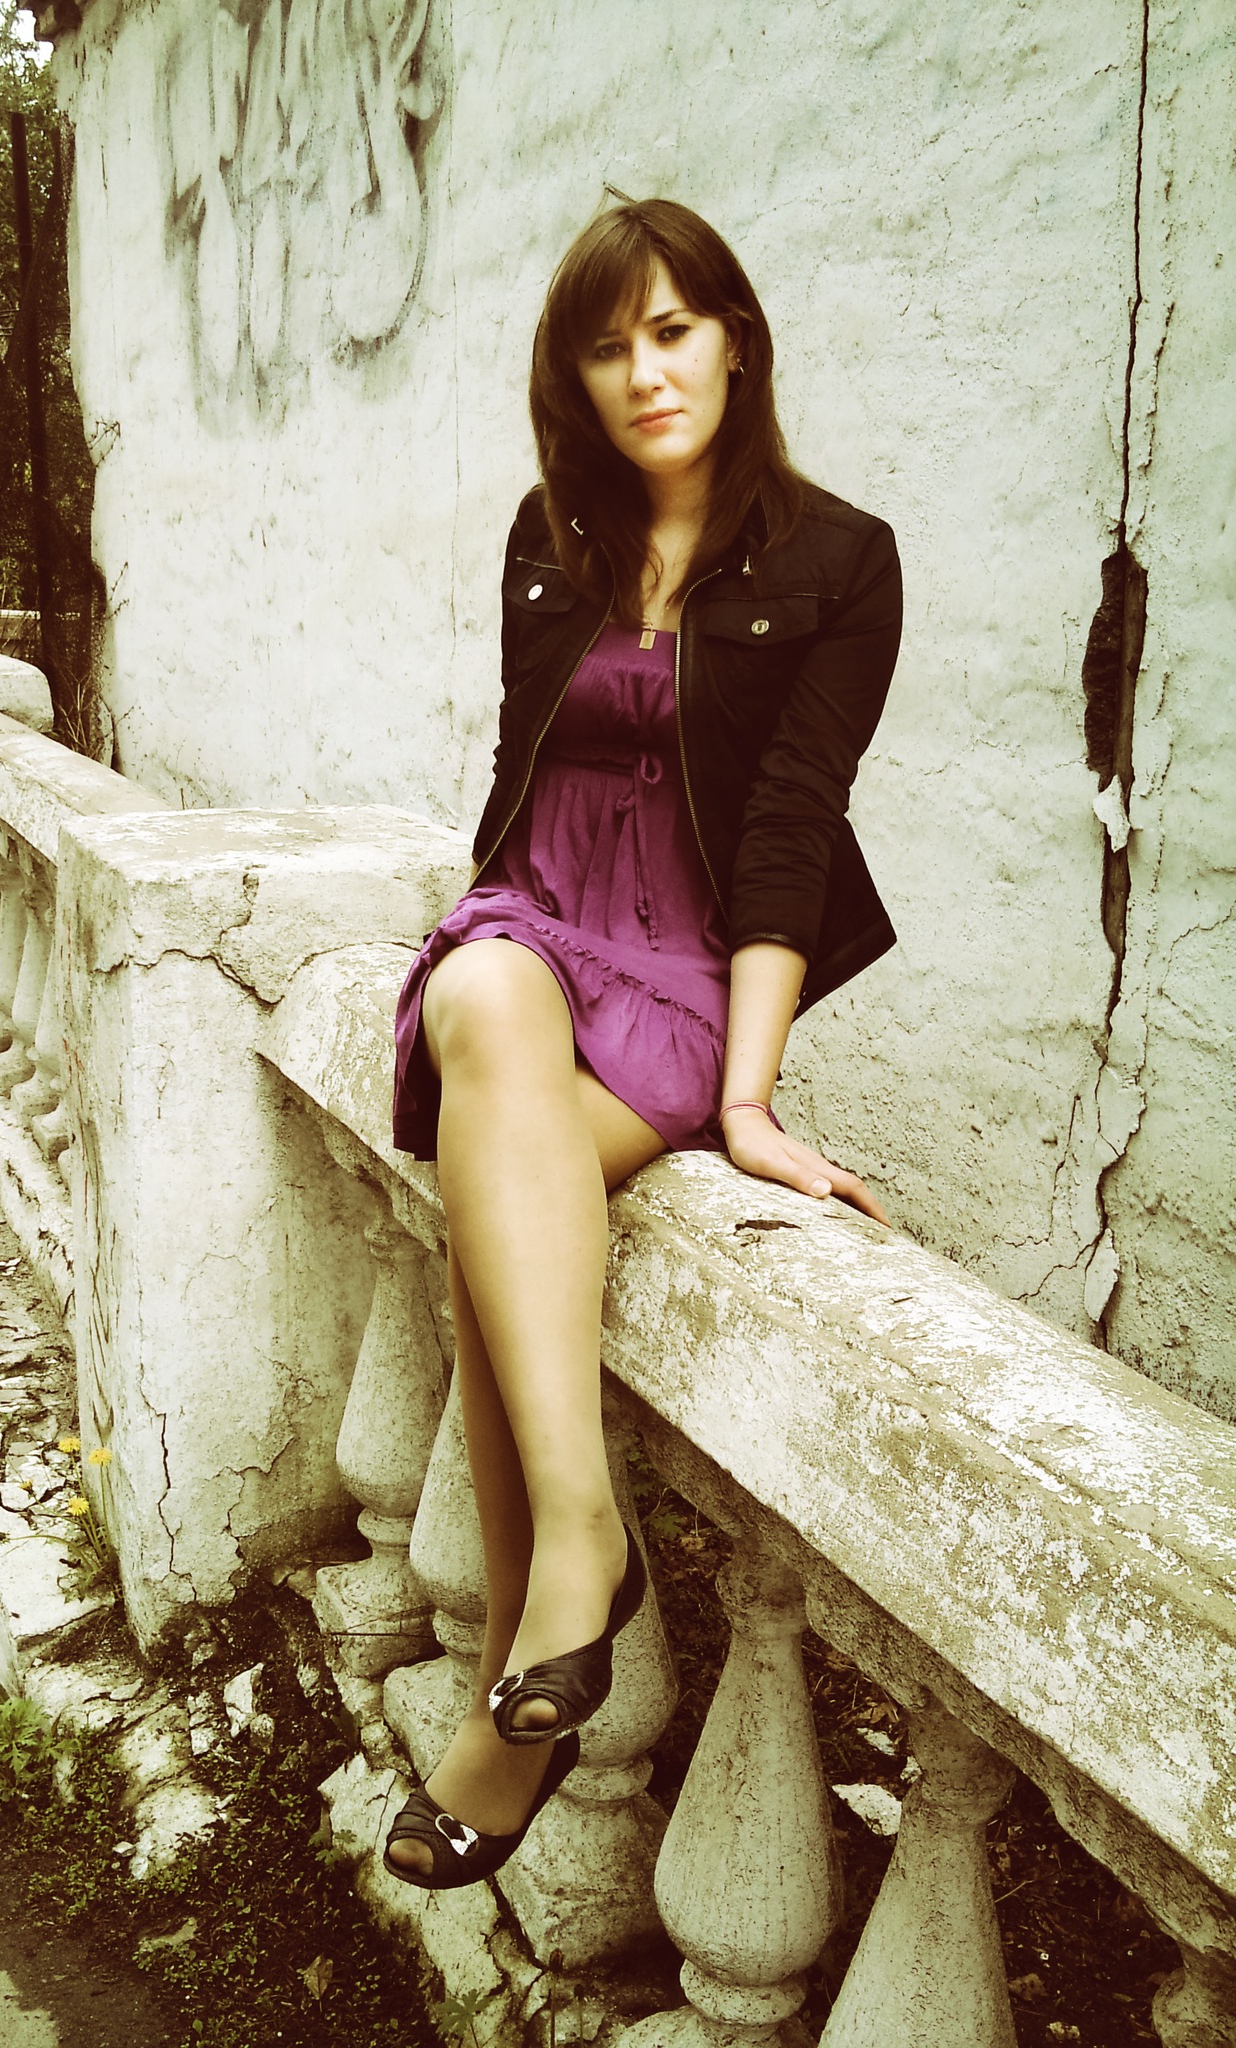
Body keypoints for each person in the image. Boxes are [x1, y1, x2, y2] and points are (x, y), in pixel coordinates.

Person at [382, 198, 902, 1888]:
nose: (645, 373)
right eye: (609, 347)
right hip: (536, 924)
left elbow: (794, 826)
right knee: (478, 996)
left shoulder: (842, 561)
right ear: (579, 378)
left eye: (673, 331)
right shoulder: (554, 535)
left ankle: (523, 1687)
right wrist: (485, 916)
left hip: (684, 964)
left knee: (493, 1228)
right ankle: (581, 1540)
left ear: (736, 339)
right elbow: (521, 762)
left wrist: (746, 1100)